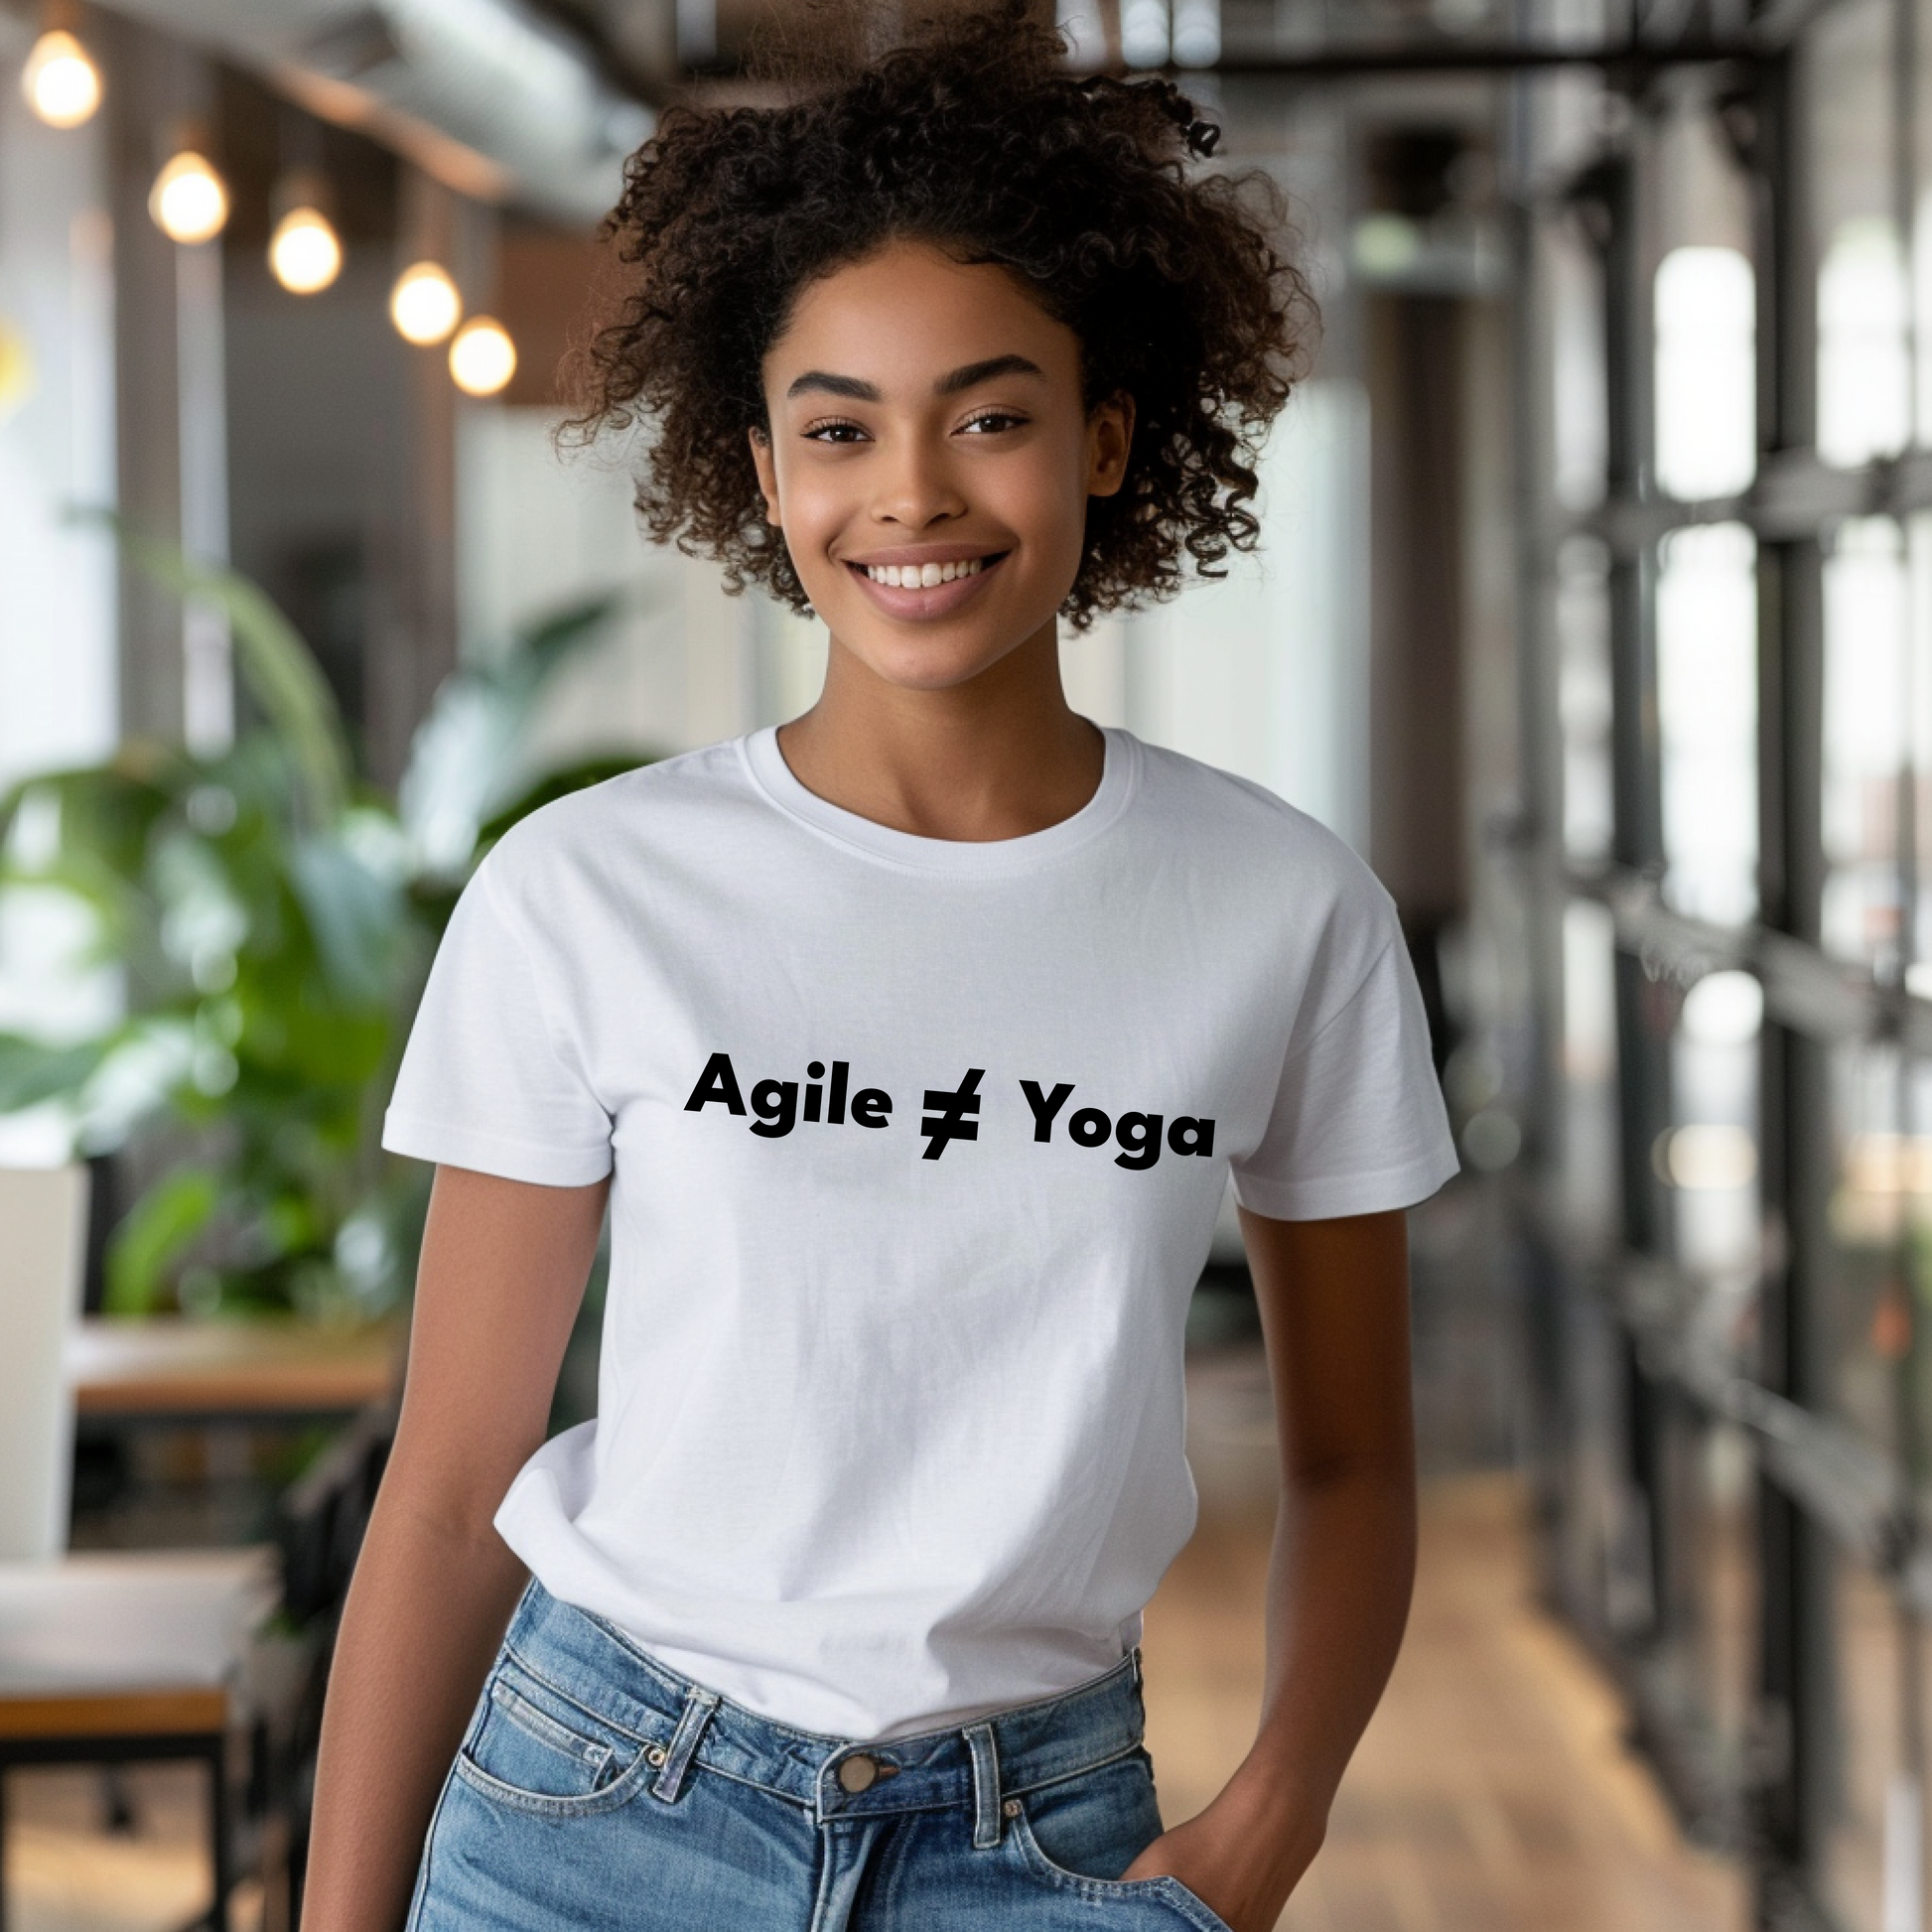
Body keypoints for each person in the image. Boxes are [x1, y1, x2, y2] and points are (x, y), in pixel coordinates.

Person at [302, 8, 1457, 1928]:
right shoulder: (588, 888)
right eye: (838, 427)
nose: (908, 492)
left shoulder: (1279, 907)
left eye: (988, 415)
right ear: (760, 471)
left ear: (1105, 438)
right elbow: (446, 1482)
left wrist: (1275, 1819)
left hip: (1046, 1834)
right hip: (595, 1810)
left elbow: (1352, 1460)